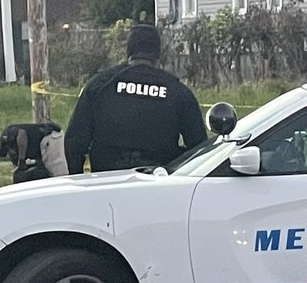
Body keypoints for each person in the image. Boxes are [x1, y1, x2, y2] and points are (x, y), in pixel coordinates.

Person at [64, 23, 207, 173]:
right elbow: (200, 150)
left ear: (128, 52)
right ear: (158, 55)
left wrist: (79, 179)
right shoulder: (177, 92)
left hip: (106, 184)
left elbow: (74, 143)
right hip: (159, 185)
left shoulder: (100, 85)